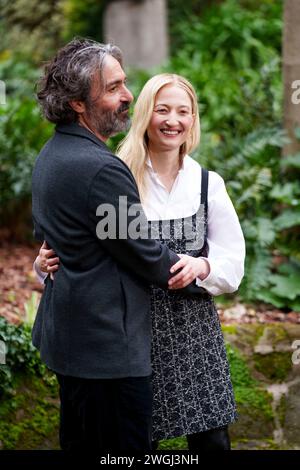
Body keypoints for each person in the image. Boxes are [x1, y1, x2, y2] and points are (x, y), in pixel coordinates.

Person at [35, 72, 245, 451]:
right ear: (145, 113)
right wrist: (44, 264)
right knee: (133, 443)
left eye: (184, 111)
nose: (173, 120)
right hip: (130, 336)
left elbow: (233, 262)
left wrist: (204, 267)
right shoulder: (115, 174)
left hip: (193, 337)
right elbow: (82, 247)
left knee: (211, 442)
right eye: (162, 109)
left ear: (193, 120)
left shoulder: (207, 184)